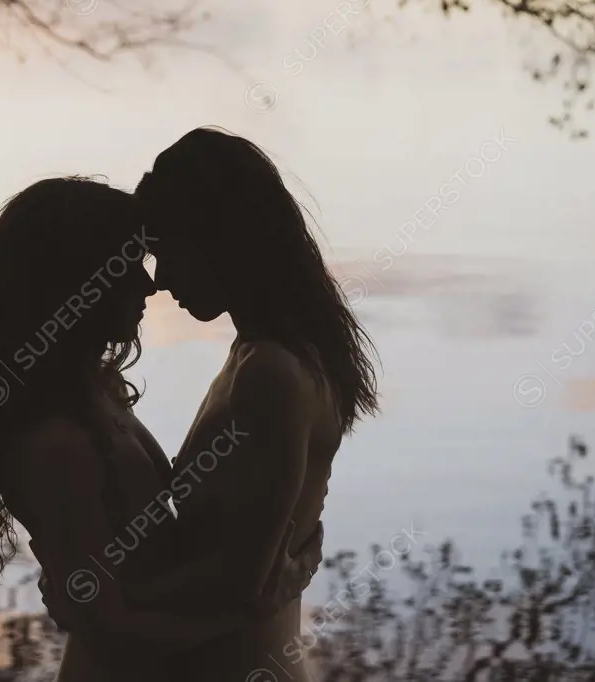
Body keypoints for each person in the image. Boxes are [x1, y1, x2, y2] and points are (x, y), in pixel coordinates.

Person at [0, 176, 322, 682]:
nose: (150, 284)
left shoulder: (98, 391)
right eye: (128, 266)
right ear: (78, 281)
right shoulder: (54, 442)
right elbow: (113, 630)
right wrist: (262, 601)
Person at [124, 127, 380, 681]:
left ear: (221, 240)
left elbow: (237, 581)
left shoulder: (272, 373)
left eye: (170, 254)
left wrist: (96, 589)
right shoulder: (266, 351)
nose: (162, 281)